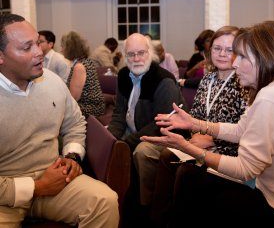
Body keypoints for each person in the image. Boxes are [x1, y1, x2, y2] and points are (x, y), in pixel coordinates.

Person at [142, 21, 274, 226]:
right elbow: (242, 130)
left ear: (265, 59)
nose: (235, 63)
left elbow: (245, 169)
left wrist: (187, 147)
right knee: (190, 178)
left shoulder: (271, 97)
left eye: (242, 56)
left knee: (191, 179)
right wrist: (194, 124)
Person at [0, 14, 119, 227]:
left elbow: (74, 123)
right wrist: (37, 187)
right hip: (6, 191)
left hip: (54, 176)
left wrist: (72, 155)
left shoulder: (51, 81)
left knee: (105, 201)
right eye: (27, 48)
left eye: (37, 43)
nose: (39, 52)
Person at [146, 26, 249, 227]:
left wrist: (211, 139)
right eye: (217, 48)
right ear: (209, 51)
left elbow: (244, 128)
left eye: (229, 50)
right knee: (167, 155)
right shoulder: (207, 79)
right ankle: (158, 219)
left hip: (229, 149)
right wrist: (195, 135)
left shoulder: (244, 81)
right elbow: (197, 116)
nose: (221, 54)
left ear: (239, 53)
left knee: (186, 171)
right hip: (201, 141)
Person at [108, 33, 187, 209]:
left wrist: (126, 142)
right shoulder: (123, 75)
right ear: (124, 56)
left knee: (142, 151)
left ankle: (147, 206)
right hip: (135, 130)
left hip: (166, 134)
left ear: (150, 53)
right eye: (131, 54)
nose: (136, 59)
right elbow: (119, 113)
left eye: (141, 53)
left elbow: (163, 123)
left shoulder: (163, 80)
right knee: (106, 139)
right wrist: (111, 139)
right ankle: (119, 196)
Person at [61, 31, 105, 119]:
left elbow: (73, 98)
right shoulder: (85, 61)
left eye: (63, 46)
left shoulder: (79, 67)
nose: (61, 50)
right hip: (93, 106)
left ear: (70, 48)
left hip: (89, 108)